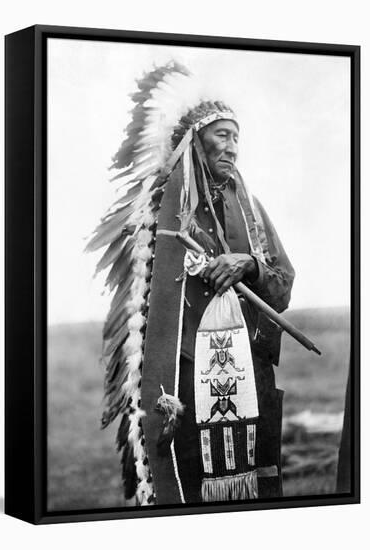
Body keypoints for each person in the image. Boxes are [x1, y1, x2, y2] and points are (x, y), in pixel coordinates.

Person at [87, 62, 295, 506]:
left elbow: (283, 283)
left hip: (249, 373)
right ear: (193, 140)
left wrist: (250, 266)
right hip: (183, 379)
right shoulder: (159, 211)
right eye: (222, 135)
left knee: (254, 489)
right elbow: (141, 308)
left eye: (237, 137)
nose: (233, 147)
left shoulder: (251, 211)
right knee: (189, 493)